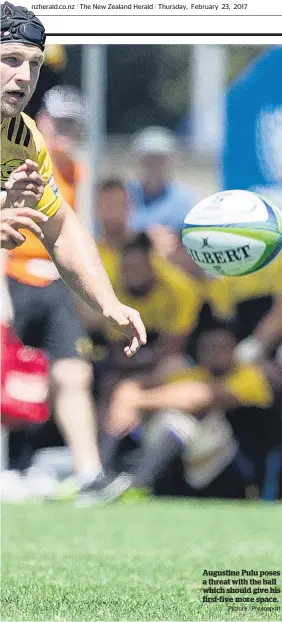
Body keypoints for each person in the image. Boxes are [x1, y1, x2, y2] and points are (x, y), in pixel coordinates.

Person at [0, 1, 146, 499]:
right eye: (10, 59)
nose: (23, 76)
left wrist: (108, 303)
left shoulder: (23, 139)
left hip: (46, 286)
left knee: (71, 370)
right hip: (12, 284)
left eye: (33, 64)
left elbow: (61, 227)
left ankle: (88, 474)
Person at [94, 322, 282, 504]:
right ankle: (101, 474)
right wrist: (126, 396)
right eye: (208, 348)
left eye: (221, 347)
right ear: (199, 352)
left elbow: (204, 397)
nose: (215, 354)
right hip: (191, 462)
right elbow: (136, 386)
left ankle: (137, 484)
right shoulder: (192, 374)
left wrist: (138, 400)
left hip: (238, 466)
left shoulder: (251, 376)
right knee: (161, 417)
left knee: (177, 421)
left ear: (234, 349)